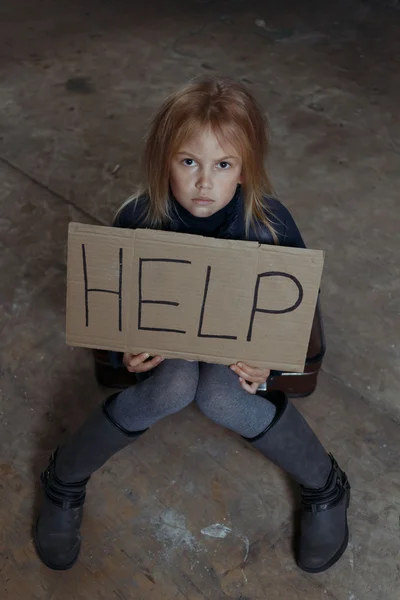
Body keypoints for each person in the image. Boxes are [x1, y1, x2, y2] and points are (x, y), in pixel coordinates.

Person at [34, 77, 350, 573]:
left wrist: (268, 361)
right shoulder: (138, 217)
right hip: (168, 341)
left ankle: (326, 485)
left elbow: (291, 303)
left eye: (223, 165)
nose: (205, 182)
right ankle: (64, 480)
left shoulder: (270, 223)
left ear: (245, 169)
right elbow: (120, 306)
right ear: (164, 161)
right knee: (175, 385)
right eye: (189, 162)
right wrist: (125, 352)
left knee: (219, 396)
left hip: (235, 344)